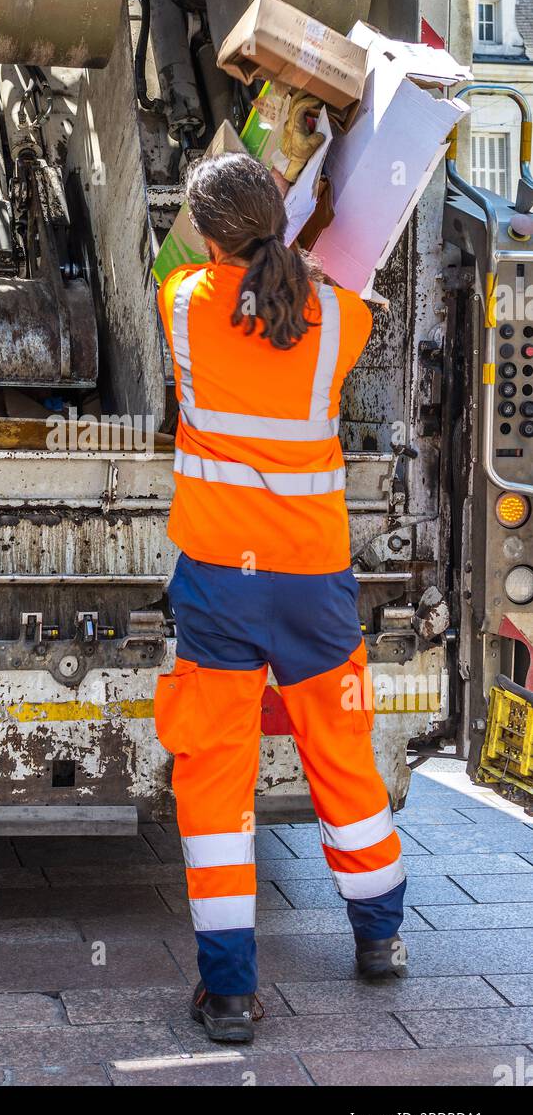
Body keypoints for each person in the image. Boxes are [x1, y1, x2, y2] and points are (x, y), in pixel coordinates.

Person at [155, 150, 406, 1045]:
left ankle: (229, 995)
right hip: (313, 583)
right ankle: (379, 939)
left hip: (221, 580)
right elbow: (320, 290)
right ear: (288, 217)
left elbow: (193, 272)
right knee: (341, 757)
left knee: (215, 780)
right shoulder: (342, 320)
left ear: (206, 234)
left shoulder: (183, 304)